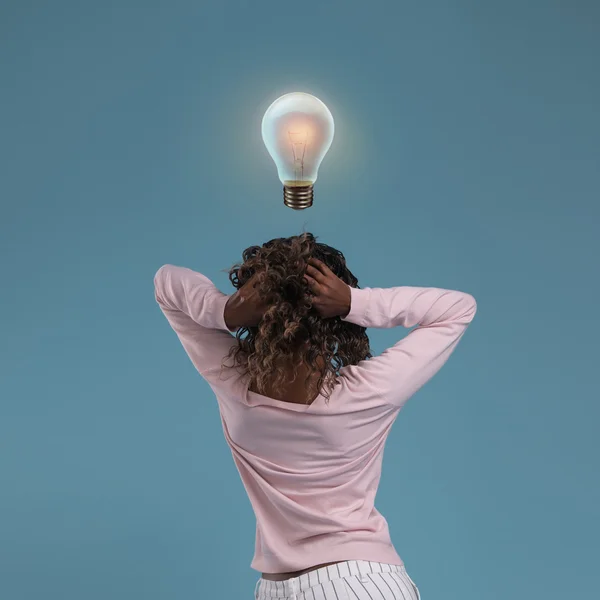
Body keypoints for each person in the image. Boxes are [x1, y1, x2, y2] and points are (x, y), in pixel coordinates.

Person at [154, 231, 477, 599]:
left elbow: (167, 283)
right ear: (334, 325)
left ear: (259, 317)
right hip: (361, 583)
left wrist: (224, 310)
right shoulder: (366, 392)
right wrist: (354, 302)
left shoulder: (232, 380)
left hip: (286, 585)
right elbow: (457, 308)